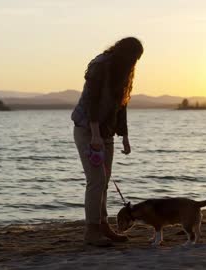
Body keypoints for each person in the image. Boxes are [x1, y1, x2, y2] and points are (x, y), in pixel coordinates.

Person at [71, 37, 143, 246]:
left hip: (107, 132)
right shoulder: (100, 66)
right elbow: (92, 101)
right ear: (123, 53)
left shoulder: (124, 72)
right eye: (133, 57)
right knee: (96, 181)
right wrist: (94, 135)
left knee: (104, 182)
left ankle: (103, 226)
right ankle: (91, 231)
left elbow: (122, 105)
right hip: (87, 129)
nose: (134, 62)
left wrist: (125, 136)